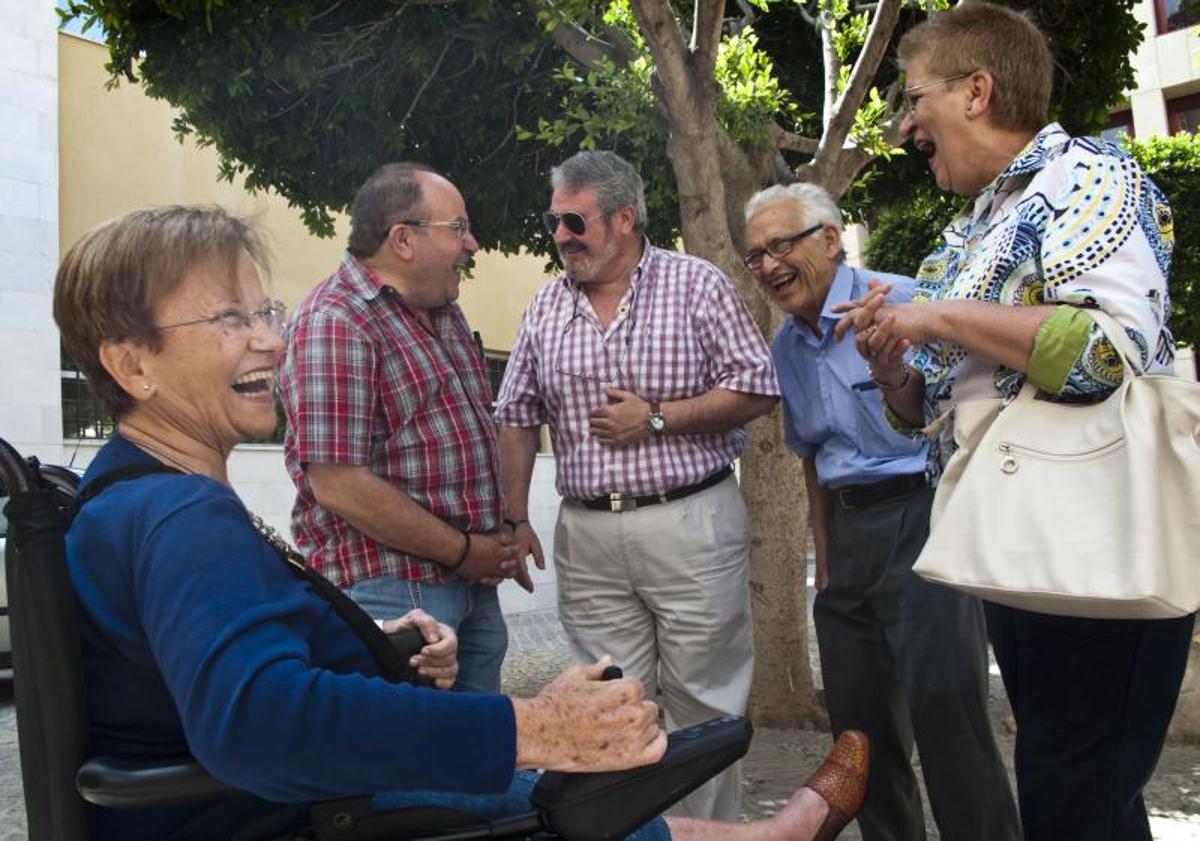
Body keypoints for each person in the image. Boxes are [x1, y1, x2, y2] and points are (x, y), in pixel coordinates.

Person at [52, 204, 869, 841]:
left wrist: (374, 637)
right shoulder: (179, 514)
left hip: (274, 804)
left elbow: (209, 651)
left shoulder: (133, 491)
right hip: (286, 816)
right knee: (548, 791)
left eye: (263, 309)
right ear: (132, 364)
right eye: (230, 320)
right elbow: (258, 721)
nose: (270, 336)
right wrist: (534, 725)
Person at [832, 4, 1193, 839]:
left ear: (976, 92)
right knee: (1077, 790)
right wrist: (895, 363)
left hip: (1103, 534)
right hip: (1029, 540)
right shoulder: (966, 230)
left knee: (1073, 789)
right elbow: (921, 411)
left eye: (912, 98)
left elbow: (1104, 351)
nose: (902, 126)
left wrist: (939, 317)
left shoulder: (1092, 177)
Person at [495, 150, 779, 821]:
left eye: (574, 220)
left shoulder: (697, 284)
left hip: (690, 521)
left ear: (624, 218)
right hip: (588, 532)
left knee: (704, 704)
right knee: (612, 703)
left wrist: (657, 417)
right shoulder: (543, 306)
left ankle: (704, 836)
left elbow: (757, 387)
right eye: (553, 220)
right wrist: (514, 519)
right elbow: (515, 415)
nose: (560, 235)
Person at [743, 182, 1021, 841]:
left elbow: (958, 412)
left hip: (923, 512)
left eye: (782, 244)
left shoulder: (906, 300)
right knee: (860, 735)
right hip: (848, 532)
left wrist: (894, 369)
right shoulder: (785, 346)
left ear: (831, 239)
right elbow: (810, 454)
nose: (769, 266)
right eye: (755, 255)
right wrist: (824, 561)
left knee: (946, 712)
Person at [279, 163, 518, 694]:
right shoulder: (336, 320)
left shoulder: (444, 311)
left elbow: (460, 438)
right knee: (419, 763)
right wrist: (463, 549)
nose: (471, 244)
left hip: (469, 582)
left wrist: (496, 536)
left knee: (476, 760)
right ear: (403, 240)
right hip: (395, 594)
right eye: (458, 228)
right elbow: (339, 484)